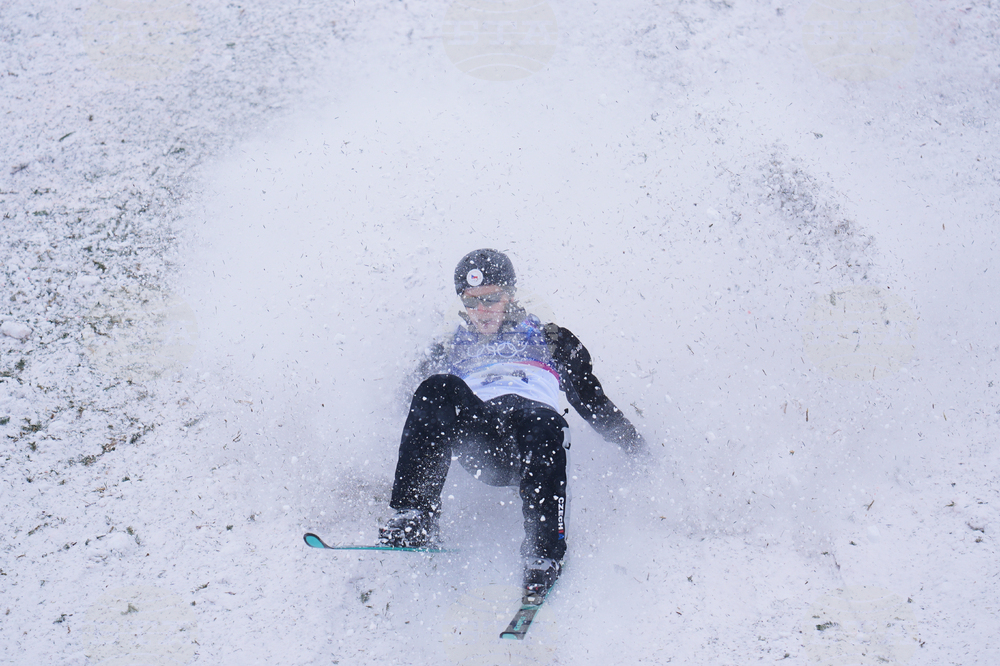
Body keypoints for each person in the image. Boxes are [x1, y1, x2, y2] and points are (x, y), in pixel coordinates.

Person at [379, 248, 645, 600]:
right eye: (471, 302)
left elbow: (593, 402)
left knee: (542, 420)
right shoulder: (449, 346)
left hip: (534, 439)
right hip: (485, 440)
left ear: (510, 295)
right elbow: (411, 404)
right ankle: (415, 516)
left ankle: (544, 552)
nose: (481, 310)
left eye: (491, 299)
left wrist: (634, 446)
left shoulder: (550, 339)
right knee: (436, 387)